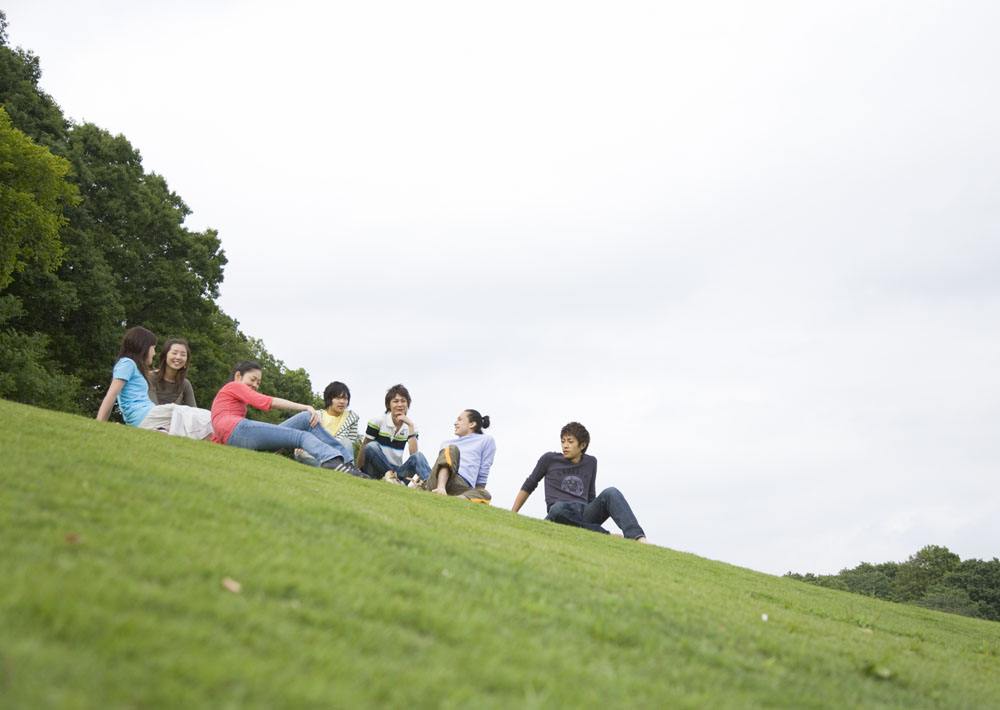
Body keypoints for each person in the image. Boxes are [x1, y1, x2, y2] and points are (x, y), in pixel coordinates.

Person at [210, 361, 366, 476]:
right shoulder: (233, 386)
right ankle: (332, 461)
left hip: (237, 435)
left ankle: (347, 463)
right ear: (238, 376)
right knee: (302, 435)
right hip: (237, 430)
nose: (256, 385)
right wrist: (304, 406)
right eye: (252, 379)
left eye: (258, 382)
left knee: (307, 418)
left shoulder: (234, 401)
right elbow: (266, 401)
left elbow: (218, 436)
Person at [512, 421, 647, 542]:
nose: (565, 445)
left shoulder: (591, 462)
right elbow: (529, 485)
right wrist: (513, 513)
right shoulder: (549, 459)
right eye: (563, 441)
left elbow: (591, 496)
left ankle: (638, 538)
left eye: (570, 442)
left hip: (584, 513)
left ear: (582, 445)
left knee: (611, 492)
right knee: (557, 508)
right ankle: (604, 534)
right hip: (560, 514)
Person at [95, 326, 213, 439]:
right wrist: (100, 424)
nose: (154, 353)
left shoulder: (136, 368)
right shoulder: (127, 363)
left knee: (186, 428)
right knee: (206, 418)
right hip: (146, 414)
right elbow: (111, 395)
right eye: (153, 348)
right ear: (144, 347)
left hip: (146, 418)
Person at [357, 384, 430, 482]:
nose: (400, 404)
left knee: (418, 456)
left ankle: (431, 485)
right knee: (371, 446)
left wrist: (410, 427)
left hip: (397, 472)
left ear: (408, 404)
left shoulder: (411, 426)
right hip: (375, 469)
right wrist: (358, 470)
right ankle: (391, 478)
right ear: (388, 405)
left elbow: (414, 455)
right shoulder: (377, 422)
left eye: (403, 401)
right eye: (395, 401)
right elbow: (365, 447)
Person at [423, 409, 494, 502]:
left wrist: (479, 490)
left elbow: (485, 468)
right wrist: (440, 486)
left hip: (462, 486)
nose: (455, 423)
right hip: (441, 480)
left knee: (485, 494)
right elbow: (442, 464)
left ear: (472, 424)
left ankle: (454, 500)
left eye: (460, 420)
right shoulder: (447, 444)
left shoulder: (486, 440)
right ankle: (440, 489)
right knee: (452, 449)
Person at [288, 381, 361, 465]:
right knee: (302, 453)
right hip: (318, 452)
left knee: (346, 441)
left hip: (339, 453)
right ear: (329, 399)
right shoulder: (316, 415)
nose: (342, 402)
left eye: (345, 398)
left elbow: (349, 443)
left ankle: (346, 467)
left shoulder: (352, 418)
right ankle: (337, 468)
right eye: (338, 398)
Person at [147, 338, 197, 406]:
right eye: (174, 353)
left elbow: (193, 411)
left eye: (183, 355)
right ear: (165, 356)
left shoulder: (185, 384)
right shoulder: (149, 378)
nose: (178, 357)